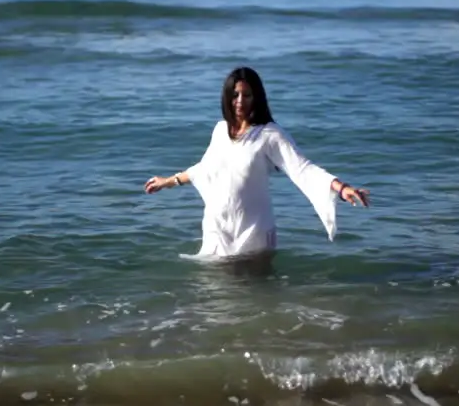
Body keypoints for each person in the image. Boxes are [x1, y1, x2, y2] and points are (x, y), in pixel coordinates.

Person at [144, 66, 370, 267]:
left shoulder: (269, 134)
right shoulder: (220, 130)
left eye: (246, 95)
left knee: (257, 298)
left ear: (257, 98)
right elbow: (205, 169)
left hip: (253, 232)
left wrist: (341, 188)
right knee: (218, 303)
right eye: (235, 95)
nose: (240, 101)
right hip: (218, 229)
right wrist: (168, 182)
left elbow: (302, 168)